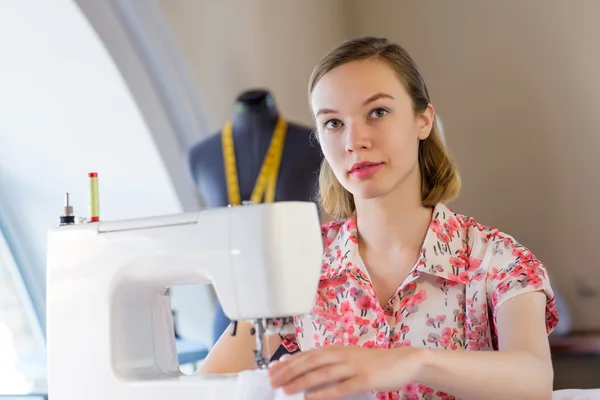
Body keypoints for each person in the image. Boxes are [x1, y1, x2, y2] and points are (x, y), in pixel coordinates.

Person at [198, 36, 559, 400]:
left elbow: (534, 379)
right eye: (334, 123)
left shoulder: (501, 260)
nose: (354, 141)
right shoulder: (296, 263)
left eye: (378, 112)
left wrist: (415, 361)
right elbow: (205, 388)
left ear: (423, 121)